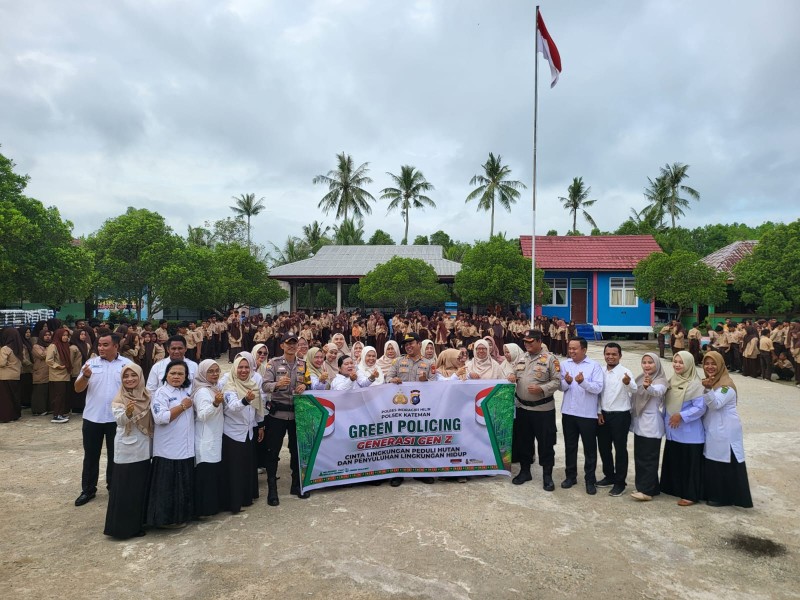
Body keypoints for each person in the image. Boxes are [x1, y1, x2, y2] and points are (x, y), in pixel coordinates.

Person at [74, 333, 133, 506]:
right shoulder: (90, 364)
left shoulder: (127, 365)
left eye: (105, 345)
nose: (101, 348)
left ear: (116, 346)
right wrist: (85, 376)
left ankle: (114, 488)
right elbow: (77, 389)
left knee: (116, 456)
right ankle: (88, 490)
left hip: (117, 419)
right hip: (93, 418)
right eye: (99, 345)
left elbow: (135, 389)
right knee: (91, 455)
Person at [103, 363, 153, 539]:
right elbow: (120, 421)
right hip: (126, 450)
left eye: (134, 375)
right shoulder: (119, 399)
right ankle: (122, 528)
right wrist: (129, 412)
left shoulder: (147, 396)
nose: (130, 379)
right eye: (126, 376)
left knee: (140, 488)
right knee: (125, 489)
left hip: (145, 449)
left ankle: (138, 524)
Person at [509, 330, 561, 491]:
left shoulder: (550, 359)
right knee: (524, 442)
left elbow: (557, 381)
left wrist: (542, 388)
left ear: (539, 341)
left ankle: (547, 476)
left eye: (530, 342)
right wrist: (511, 377)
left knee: (546, 443)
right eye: (525, 342)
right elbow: (513, 372)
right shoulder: (521, 357)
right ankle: (525, 471)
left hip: (543, 410)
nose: (527, 344)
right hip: (523, 408)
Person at [261, 334, 309, 506]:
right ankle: (272, 489)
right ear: (282, 345)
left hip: (296, 414)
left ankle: (296, 485)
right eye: (288, 344)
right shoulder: (273, 363)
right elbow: (264, 385)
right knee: (273, 452)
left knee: (296, 450)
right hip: (277, 415)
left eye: (294, 344)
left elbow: (309, 382)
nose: (291, 346)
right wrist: (277, 385)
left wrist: (305, 386)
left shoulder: (303, 364)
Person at [700, 352, 753, 508]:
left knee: (725, 461)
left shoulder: (726, 386)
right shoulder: (710, 382)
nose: (710, 367)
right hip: (714, 428)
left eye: (713, 364)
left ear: (721, 365)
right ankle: (714, 494)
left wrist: (708, 390)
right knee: (714, 460)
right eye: (706, 363)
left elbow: (716, 404)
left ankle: (726, 496)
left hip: (725, 429)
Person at [147, 361, 195, 528]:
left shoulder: (187, 391)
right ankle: (165, 520)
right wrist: (182, 406)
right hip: (168, 448)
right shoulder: (161, 393)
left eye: (180, 374)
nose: (176, 377)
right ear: (166, 375)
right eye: (173, 373)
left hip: (186, 446)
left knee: (183, 483)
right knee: (168, 485)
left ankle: (182, 517)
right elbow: (160, 418)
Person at [385, 333, 436, 487]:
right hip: (400, 410)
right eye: (405, 344)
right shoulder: (398, 361)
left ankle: (420, 472)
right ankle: (398, 473)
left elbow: (435, 385)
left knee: (419, 439)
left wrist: (425, 381)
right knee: (399, 440)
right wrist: (392, 380)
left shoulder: (429, 363)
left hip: (421, 410)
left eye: (411, 343)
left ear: (418, 344)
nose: (408, 346)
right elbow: (387, 377)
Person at [660, 351, 706, 507]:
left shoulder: (695, 384)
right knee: (676, 461)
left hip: (689, 433)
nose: (677, 365)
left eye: (681, 362)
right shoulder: (672, 380)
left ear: (689, 365)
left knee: (689, 465)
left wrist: (681, 415)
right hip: (673, 431)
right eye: (675, 361)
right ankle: (674, 488)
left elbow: (700, 408)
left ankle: (690, 495)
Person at [559, 336, 604, 495]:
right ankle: (570, 476)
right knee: (570, 447)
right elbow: (561, 387)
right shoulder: (564, 364)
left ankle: (590, 480)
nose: (571, 351)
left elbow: (598, 388)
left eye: (574, 349)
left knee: (589, 449)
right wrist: (568, 382)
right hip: (568, 413)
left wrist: (582, 382)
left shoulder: (594, 366)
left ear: (584, 350)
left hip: (587, 414)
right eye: (570, 348)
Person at [221, 355, 263, 514]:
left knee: (246, 467)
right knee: (235, 470)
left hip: (248, 432)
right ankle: (233, 503)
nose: (244, 370)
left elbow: (258, 407)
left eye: (247, 367)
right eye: (240, 367)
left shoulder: (252, 384)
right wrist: (245, 399)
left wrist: (260, 425)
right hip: (233, 433)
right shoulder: (229, 386)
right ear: (234, 369)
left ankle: (246, 498)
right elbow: (233, 406)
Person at [596, 343, 637, 497]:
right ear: (604, 354)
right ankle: (609, 476)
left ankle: (620, 482)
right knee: (604, 447)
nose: (610, 357)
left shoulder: (625, 372)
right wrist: (598, 412)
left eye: (614, 354)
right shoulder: (600, 371)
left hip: (620, 416)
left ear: (620, 356)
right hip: (603, 415)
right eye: (608, 354)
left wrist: (627, 383)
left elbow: (634, 389)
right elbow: (598, 394)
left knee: (620, 449)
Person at [629, 353, 667, 502]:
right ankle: (647, 486)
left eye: (650, 362)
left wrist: (648, 386)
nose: (647, 365)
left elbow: (658, 391)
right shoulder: (639, 378)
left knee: (649, 458)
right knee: (640, 456)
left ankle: (647, 491)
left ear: (657, 364)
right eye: (644, 362)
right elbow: (632, 391)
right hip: (640, 422)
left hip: (652, 423)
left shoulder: (661, 380)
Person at [192, 360, 224, 518]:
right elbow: (203, 414)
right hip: (206, 439)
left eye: (217, 370)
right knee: (206, 474)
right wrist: (216, 404)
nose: (215, 374)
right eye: (210, 371)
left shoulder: (213, 388)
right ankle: (203, 509)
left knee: (211, 473)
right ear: (203, 373)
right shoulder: (202, 392)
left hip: (213, 437)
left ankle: (210, 508)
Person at [46, 328, 80, 423]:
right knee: (58, 395)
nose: (65, 337)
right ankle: (56, 415)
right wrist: (58, 366)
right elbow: (49, 360)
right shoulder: (53, 346)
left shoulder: (65, 345)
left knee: (63, 395)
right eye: (63, 335)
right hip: (57, 375)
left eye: (66, 335)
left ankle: (61, 413)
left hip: (65, 374)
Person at [0, 327, 25, 423]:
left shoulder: (5, 348)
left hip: (4, 376)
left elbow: (1, 363)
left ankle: (6, 416)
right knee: (14, 396)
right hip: (15, 375)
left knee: (5, 398)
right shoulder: (19, 347)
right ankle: (15, 414)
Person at [31, 330, 51, 416]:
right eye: (45, 335)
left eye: (49, 335)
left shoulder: (50, 345)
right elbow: (42, 355)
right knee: (39, 391)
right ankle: (38, 410)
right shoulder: (36, 346)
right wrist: (50, 348)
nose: (47, 336)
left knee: (46, 391)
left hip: (49, 372)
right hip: (40, 372)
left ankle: (46, 408)